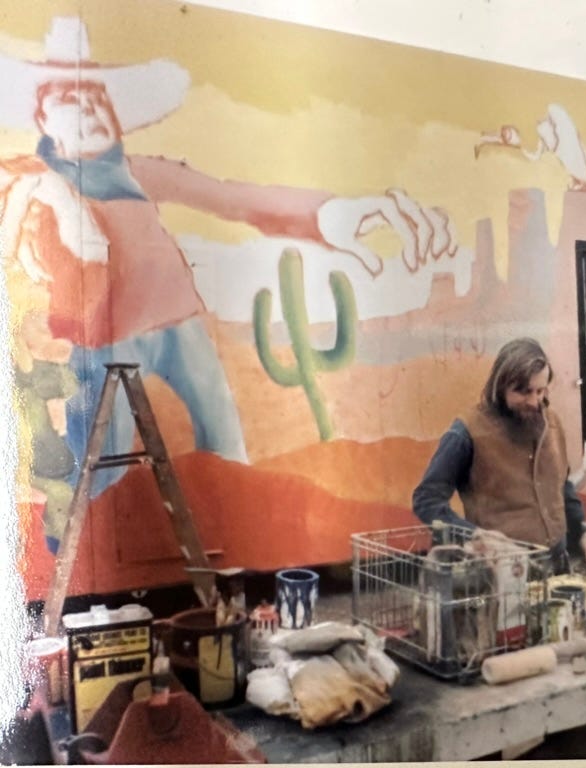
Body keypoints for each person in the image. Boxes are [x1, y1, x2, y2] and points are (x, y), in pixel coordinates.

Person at [0, 17, 454, 549]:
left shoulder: (138, 172)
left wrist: (328, 215)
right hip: (104, 344)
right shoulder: (37, 187)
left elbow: (232, 198)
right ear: (42, 116)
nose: (92, 109)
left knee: (225, 445)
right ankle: (76, 567)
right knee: (102, 473)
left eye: (98, 98)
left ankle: (236, 548)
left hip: (180, 325)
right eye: (71, 99)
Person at [412, 338, 586, 574]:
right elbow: (427, 500)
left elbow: (562, 485)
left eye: (540, 391)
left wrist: (582, 531)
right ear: (500, 386)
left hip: (556, 566)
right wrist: (473, 534)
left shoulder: (551, 423)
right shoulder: (466, 432)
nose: (534, 401)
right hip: (500, 574)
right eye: (524, 391)